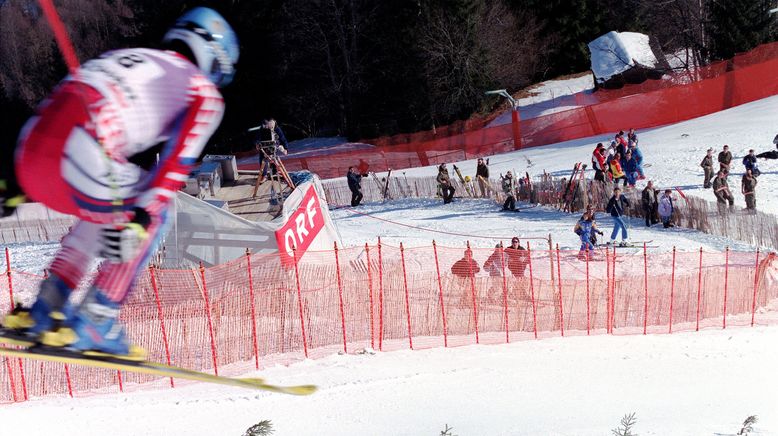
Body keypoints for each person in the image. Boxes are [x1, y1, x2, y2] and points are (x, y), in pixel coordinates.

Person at [3, 7, 239, 358]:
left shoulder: (128, 56)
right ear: (213, 56)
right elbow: (175, 164)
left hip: (28, 154)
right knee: (155, 212)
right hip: (83, 150)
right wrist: (143, 216)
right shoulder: (201, 90)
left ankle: (46, 310)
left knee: (101, 216)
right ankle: (97, 319)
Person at [255, 119, 289, 184]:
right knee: (262, 159)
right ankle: (264, 175)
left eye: (272, 126)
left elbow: (283, 138)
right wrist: (257, 143)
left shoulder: (277, 129)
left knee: (274, 157)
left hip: (273, 145)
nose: (270, 128)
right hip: (264, 145)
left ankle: (275, 172)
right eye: (268, 126)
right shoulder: (262, 128)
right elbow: (257, 138)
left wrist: (286, 148)